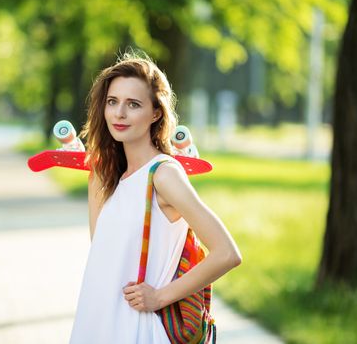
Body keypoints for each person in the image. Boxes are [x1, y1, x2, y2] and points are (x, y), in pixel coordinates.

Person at [70, 51, 242, 343]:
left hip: (137, 329)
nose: (119, 114)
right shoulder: (108, 176)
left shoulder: (162, 175)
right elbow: (103, 254)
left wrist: (160, 297)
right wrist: (97, 176)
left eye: (133, 104)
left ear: (156, 113)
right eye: (112, 102)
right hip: (98, 322)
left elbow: (227, 253)